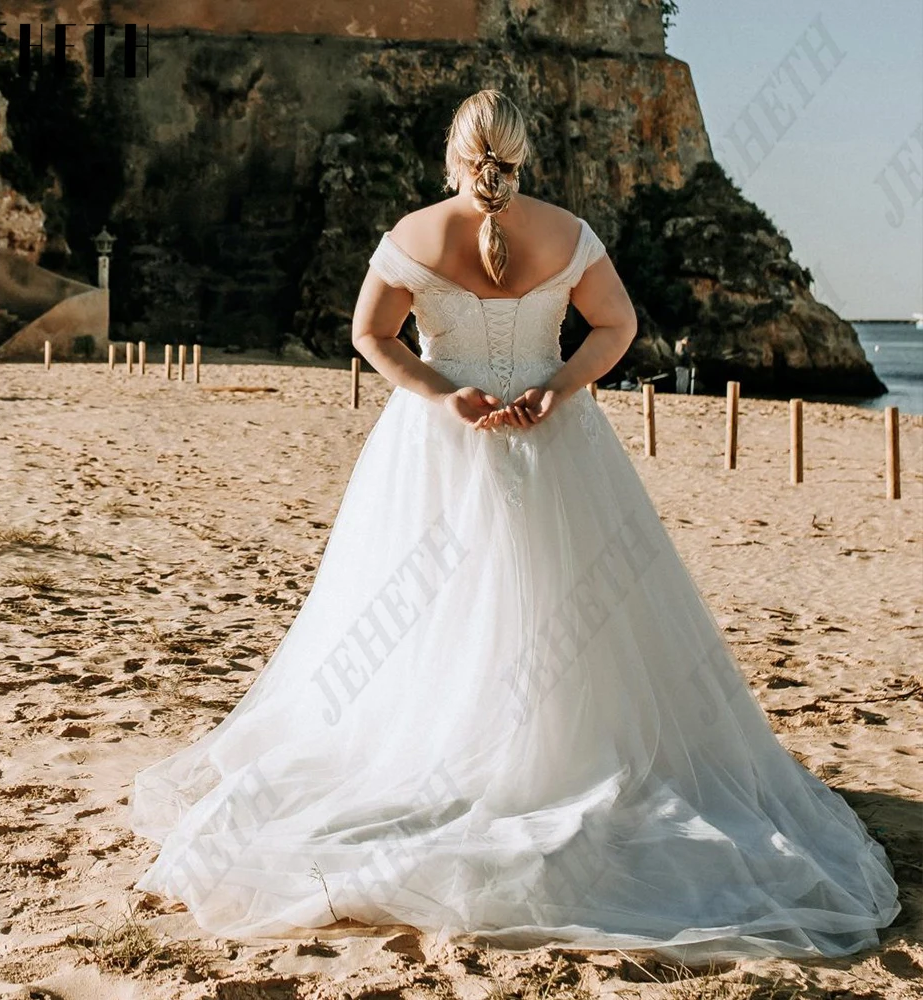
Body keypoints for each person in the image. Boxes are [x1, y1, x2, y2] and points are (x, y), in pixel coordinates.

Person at [129, 90, 900, 962]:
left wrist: (439, 391)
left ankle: (455, 753)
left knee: (423, 612)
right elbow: (618, 326)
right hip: (556, 442)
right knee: (571, 605)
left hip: (438, 445)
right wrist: (557, 386)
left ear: (453, 155)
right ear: (521, 152)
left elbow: (369, 335)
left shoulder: (413, 234)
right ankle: (551, 756)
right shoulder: (569, 233)